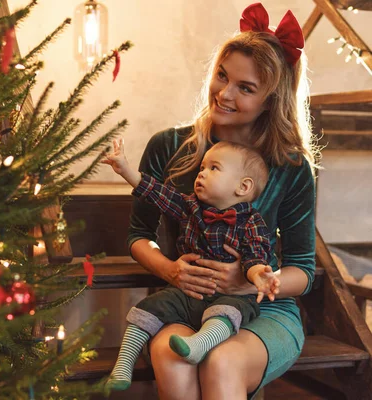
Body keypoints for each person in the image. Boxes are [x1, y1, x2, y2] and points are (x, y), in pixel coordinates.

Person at [125, 3, 316, 399]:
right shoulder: (168, 147)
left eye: (245, 88)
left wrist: (252, 282)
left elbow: (302, 269)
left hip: (264, 310)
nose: (224, 94)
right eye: (222, 77)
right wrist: (170, 270)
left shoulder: (291, 165)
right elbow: (138, 235)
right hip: (186, 301)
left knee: (221, 361)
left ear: (271, 101)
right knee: (173, 355)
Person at [101, 139, 280, 390]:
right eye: (202, 168)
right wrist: (126, 170)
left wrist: (259, 274)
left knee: (229, 313)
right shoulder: (190, 207)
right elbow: (156, 193)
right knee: (148, 307)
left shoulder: (251, 222)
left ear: (243, 186)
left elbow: (255, 255)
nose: (202, 174)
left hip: (230, 296)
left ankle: (199, 345)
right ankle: (123, 365)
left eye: (213, 168)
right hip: (188, 291)